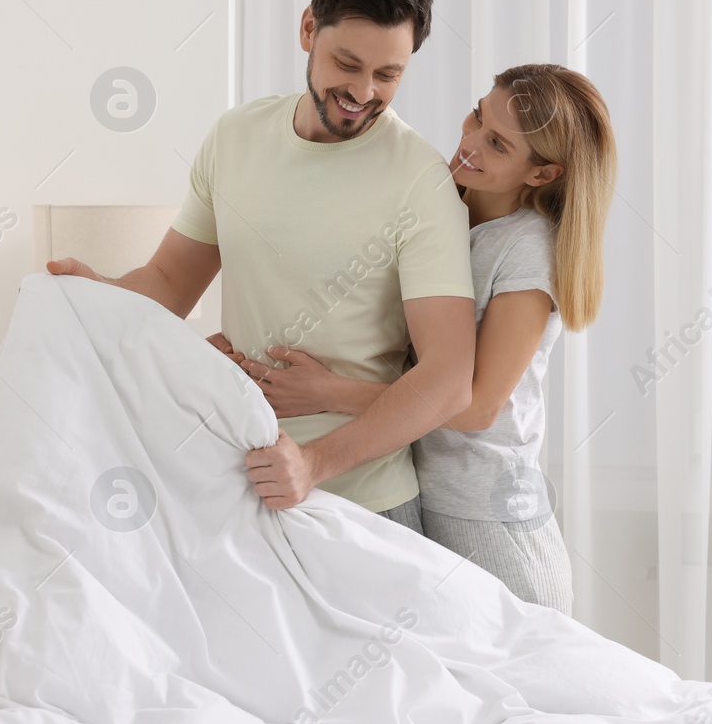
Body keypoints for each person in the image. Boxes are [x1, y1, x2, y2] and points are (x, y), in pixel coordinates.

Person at [48, 0, 476, 531]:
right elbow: (171, 280)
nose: (363, 92)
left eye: (387, 74)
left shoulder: (421, 182)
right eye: (346, 64)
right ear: (308, 29)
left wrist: (314, 463)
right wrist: (101, 296)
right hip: (236, 480)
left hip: (363, 506)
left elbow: (449, 380)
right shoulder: (235, 137)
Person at [236, 64, 616, 612]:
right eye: (477, 117)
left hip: (489, 517)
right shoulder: (444, 208)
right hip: (424, 497)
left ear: (541, 175)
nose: (469, 144)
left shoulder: (528, 250)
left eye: (497, 145)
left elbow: (479, 404)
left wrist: (331, 391)